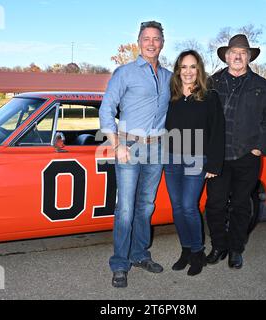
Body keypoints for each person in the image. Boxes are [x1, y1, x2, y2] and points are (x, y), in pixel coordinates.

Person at [99, 21, 172, 288]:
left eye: (156, 38)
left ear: (162, 43)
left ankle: (140, 255)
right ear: (138, 42)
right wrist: (116, 144)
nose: (151, 43)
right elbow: (106, 109)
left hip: (157, 148)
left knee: (146, 207)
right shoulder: (125, 73)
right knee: (126, 209)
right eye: (146, 38)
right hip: (128, 146)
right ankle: (120, 263)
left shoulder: (168, 77)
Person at [206, 34, 266, 269]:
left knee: (240, 205)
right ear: (226, 57)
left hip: (247, 156)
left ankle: (236, 249)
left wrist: (259, 148)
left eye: (242, 53)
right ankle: (218, 245)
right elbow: (202, 117)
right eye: (233, 53)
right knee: (215, 204)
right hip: (218, 157)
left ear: (249, 57)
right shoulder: (211, 83)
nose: (237, 56)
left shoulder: (262, 85)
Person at [164, 50, 225, 276]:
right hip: (171, 158)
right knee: (177, 208)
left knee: (189, 206)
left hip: (197, 158)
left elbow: (218, 132)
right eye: (183, 67)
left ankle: (198, 252)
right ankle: (186, 250)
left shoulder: (209, 96)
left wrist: (213, 165)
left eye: (192, 67)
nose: (188, 72)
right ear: (177, 70)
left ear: (198, 70)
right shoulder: (170, 95)